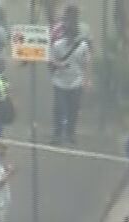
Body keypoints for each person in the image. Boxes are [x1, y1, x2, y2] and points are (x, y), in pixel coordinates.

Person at [46, 6, 91, 144]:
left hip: (76, 82)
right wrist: (58, 65)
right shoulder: (58, 45)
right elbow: (50, 60)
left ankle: (71, 133)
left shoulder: (82, 46)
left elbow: (86, 62)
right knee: (59, 109)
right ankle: (57, 134)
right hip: (59, 82)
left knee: (73, 109)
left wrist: (86, 80)